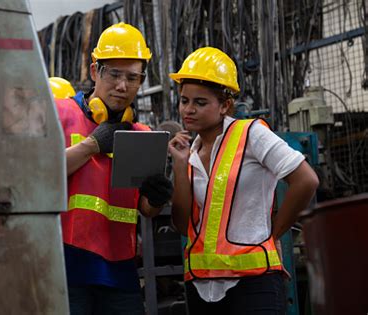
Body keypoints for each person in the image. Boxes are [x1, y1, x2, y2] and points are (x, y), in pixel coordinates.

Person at [167, 47, 319, 314]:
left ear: (225, 105)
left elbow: (306, 180)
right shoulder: (188, 152)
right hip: (202, 287)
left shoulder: (251, 134)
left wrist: (272, 234)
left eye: (200, 103)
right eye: (184, 100)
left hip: (254, 285)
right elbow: (182, 224)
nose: (188, 110)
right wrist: (180, 168)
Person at [54, 22, 173, 315]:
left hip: (120, 270)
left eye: (132, 78)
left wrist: (156, 198)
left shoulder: (142, 134)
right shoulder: (62, 113)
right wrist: (93, 145)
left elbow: (146, 209)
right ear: (95, 71)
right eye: (114, 74)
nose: (122, 86)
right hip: (65, 264)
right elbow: (37, 175)